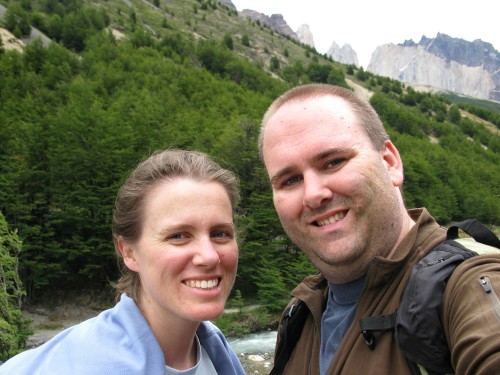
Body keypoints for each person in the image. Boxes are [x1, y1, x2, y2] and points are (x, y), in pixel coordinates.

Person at [258, 83, 500, 374]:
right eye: (290, 181)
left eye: (333, 162)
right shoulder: (299, 314)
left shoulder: (467, 286)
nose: (312, 194)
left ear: (390, 163)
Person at [0, 149, 245, 375]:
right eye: (178, 236)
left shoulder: (215, 352)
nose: (209, 256)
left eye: (220, 233)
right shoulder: (77, 366)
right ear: (128, 252)